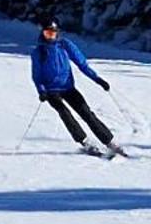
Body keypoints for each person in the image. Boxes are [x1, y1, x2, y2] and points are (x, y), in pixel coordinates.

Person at [31, 19, 123, 157]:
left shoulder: (65, 45)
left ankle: (110, 142)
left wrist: (97, 79)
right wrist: (42, 91)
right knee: (64, 112)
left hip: (68, 87)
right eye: (47, 33)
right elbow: (37, 76)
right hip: (51, 90)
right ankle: (85, 141)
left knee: (86, 112)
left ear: (57, 33)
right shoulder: (39, 52)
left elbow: (82, 64)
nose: (50, 36)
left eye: (52, 33)